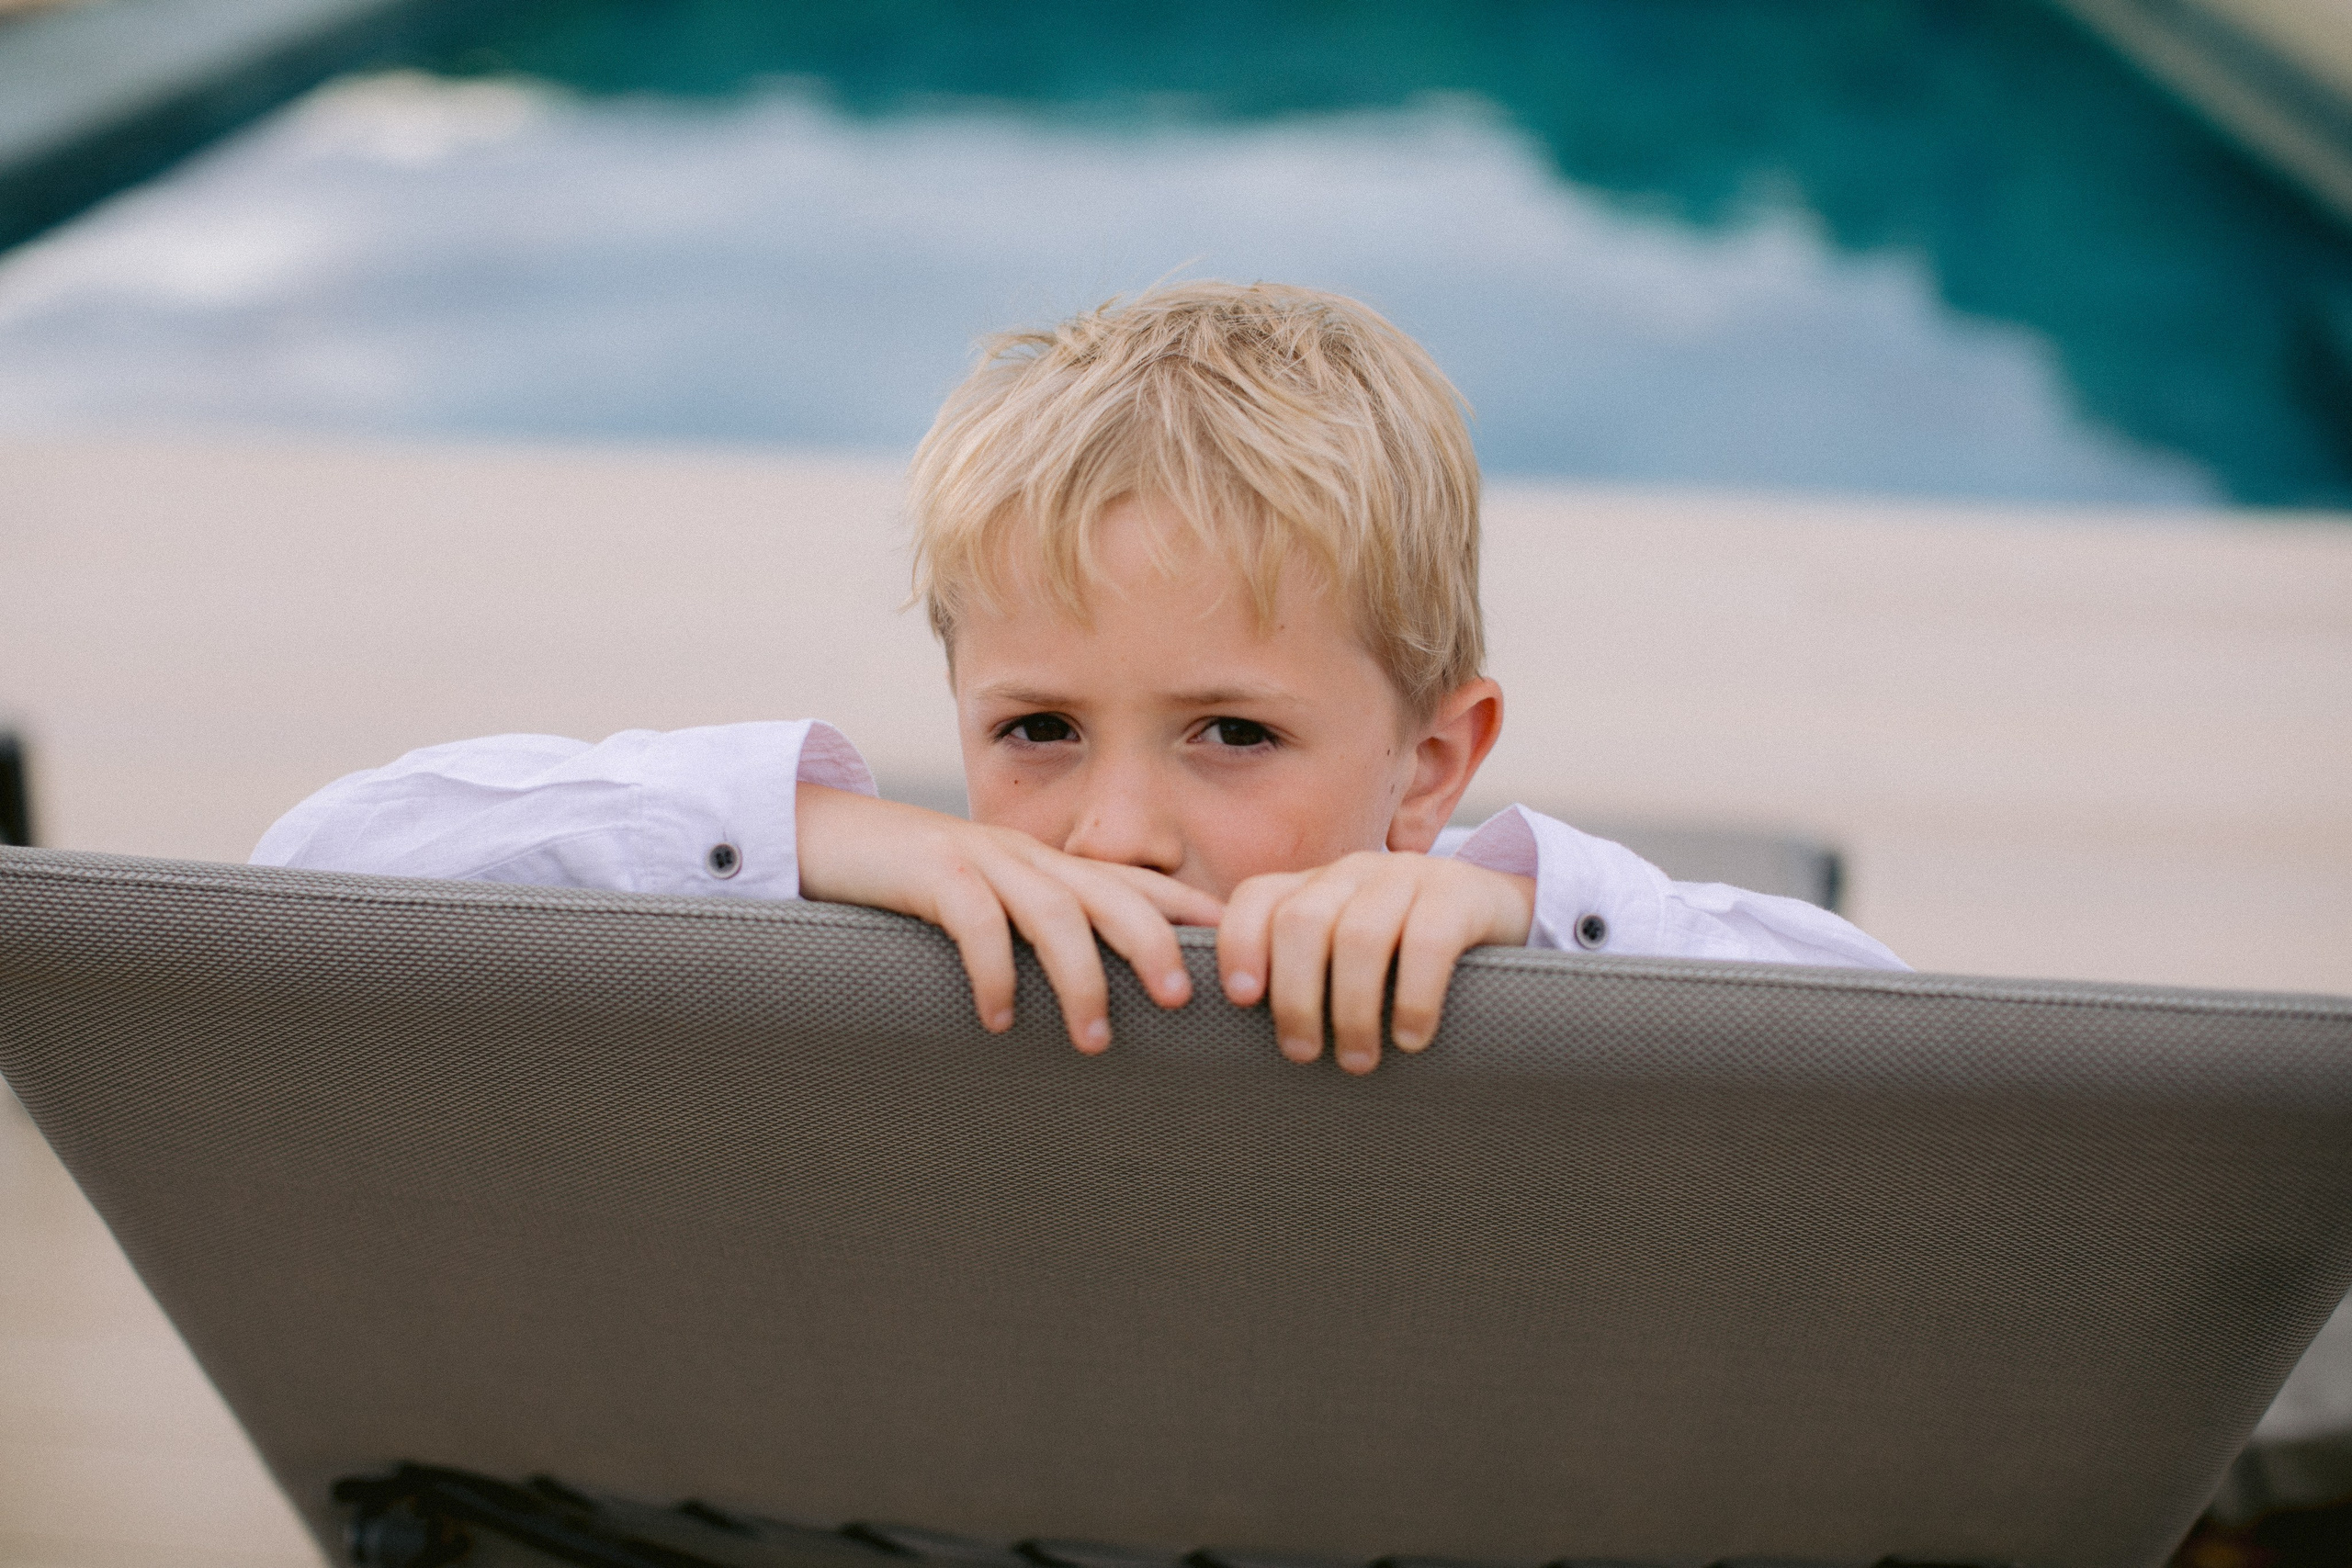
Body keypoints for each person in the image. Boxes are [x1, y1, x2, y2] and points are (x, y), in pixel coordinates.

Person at [254, 281, 1904, 1076]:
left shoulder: (1495, 960)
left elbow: (1928, 1068)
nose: (1112, 830)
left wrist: (1517, 911)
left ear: (1429, 762)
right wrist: (822, 832)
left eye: (1233, 734)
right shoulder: (874, 934)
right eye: (1037, 729)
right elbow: (305, 884)